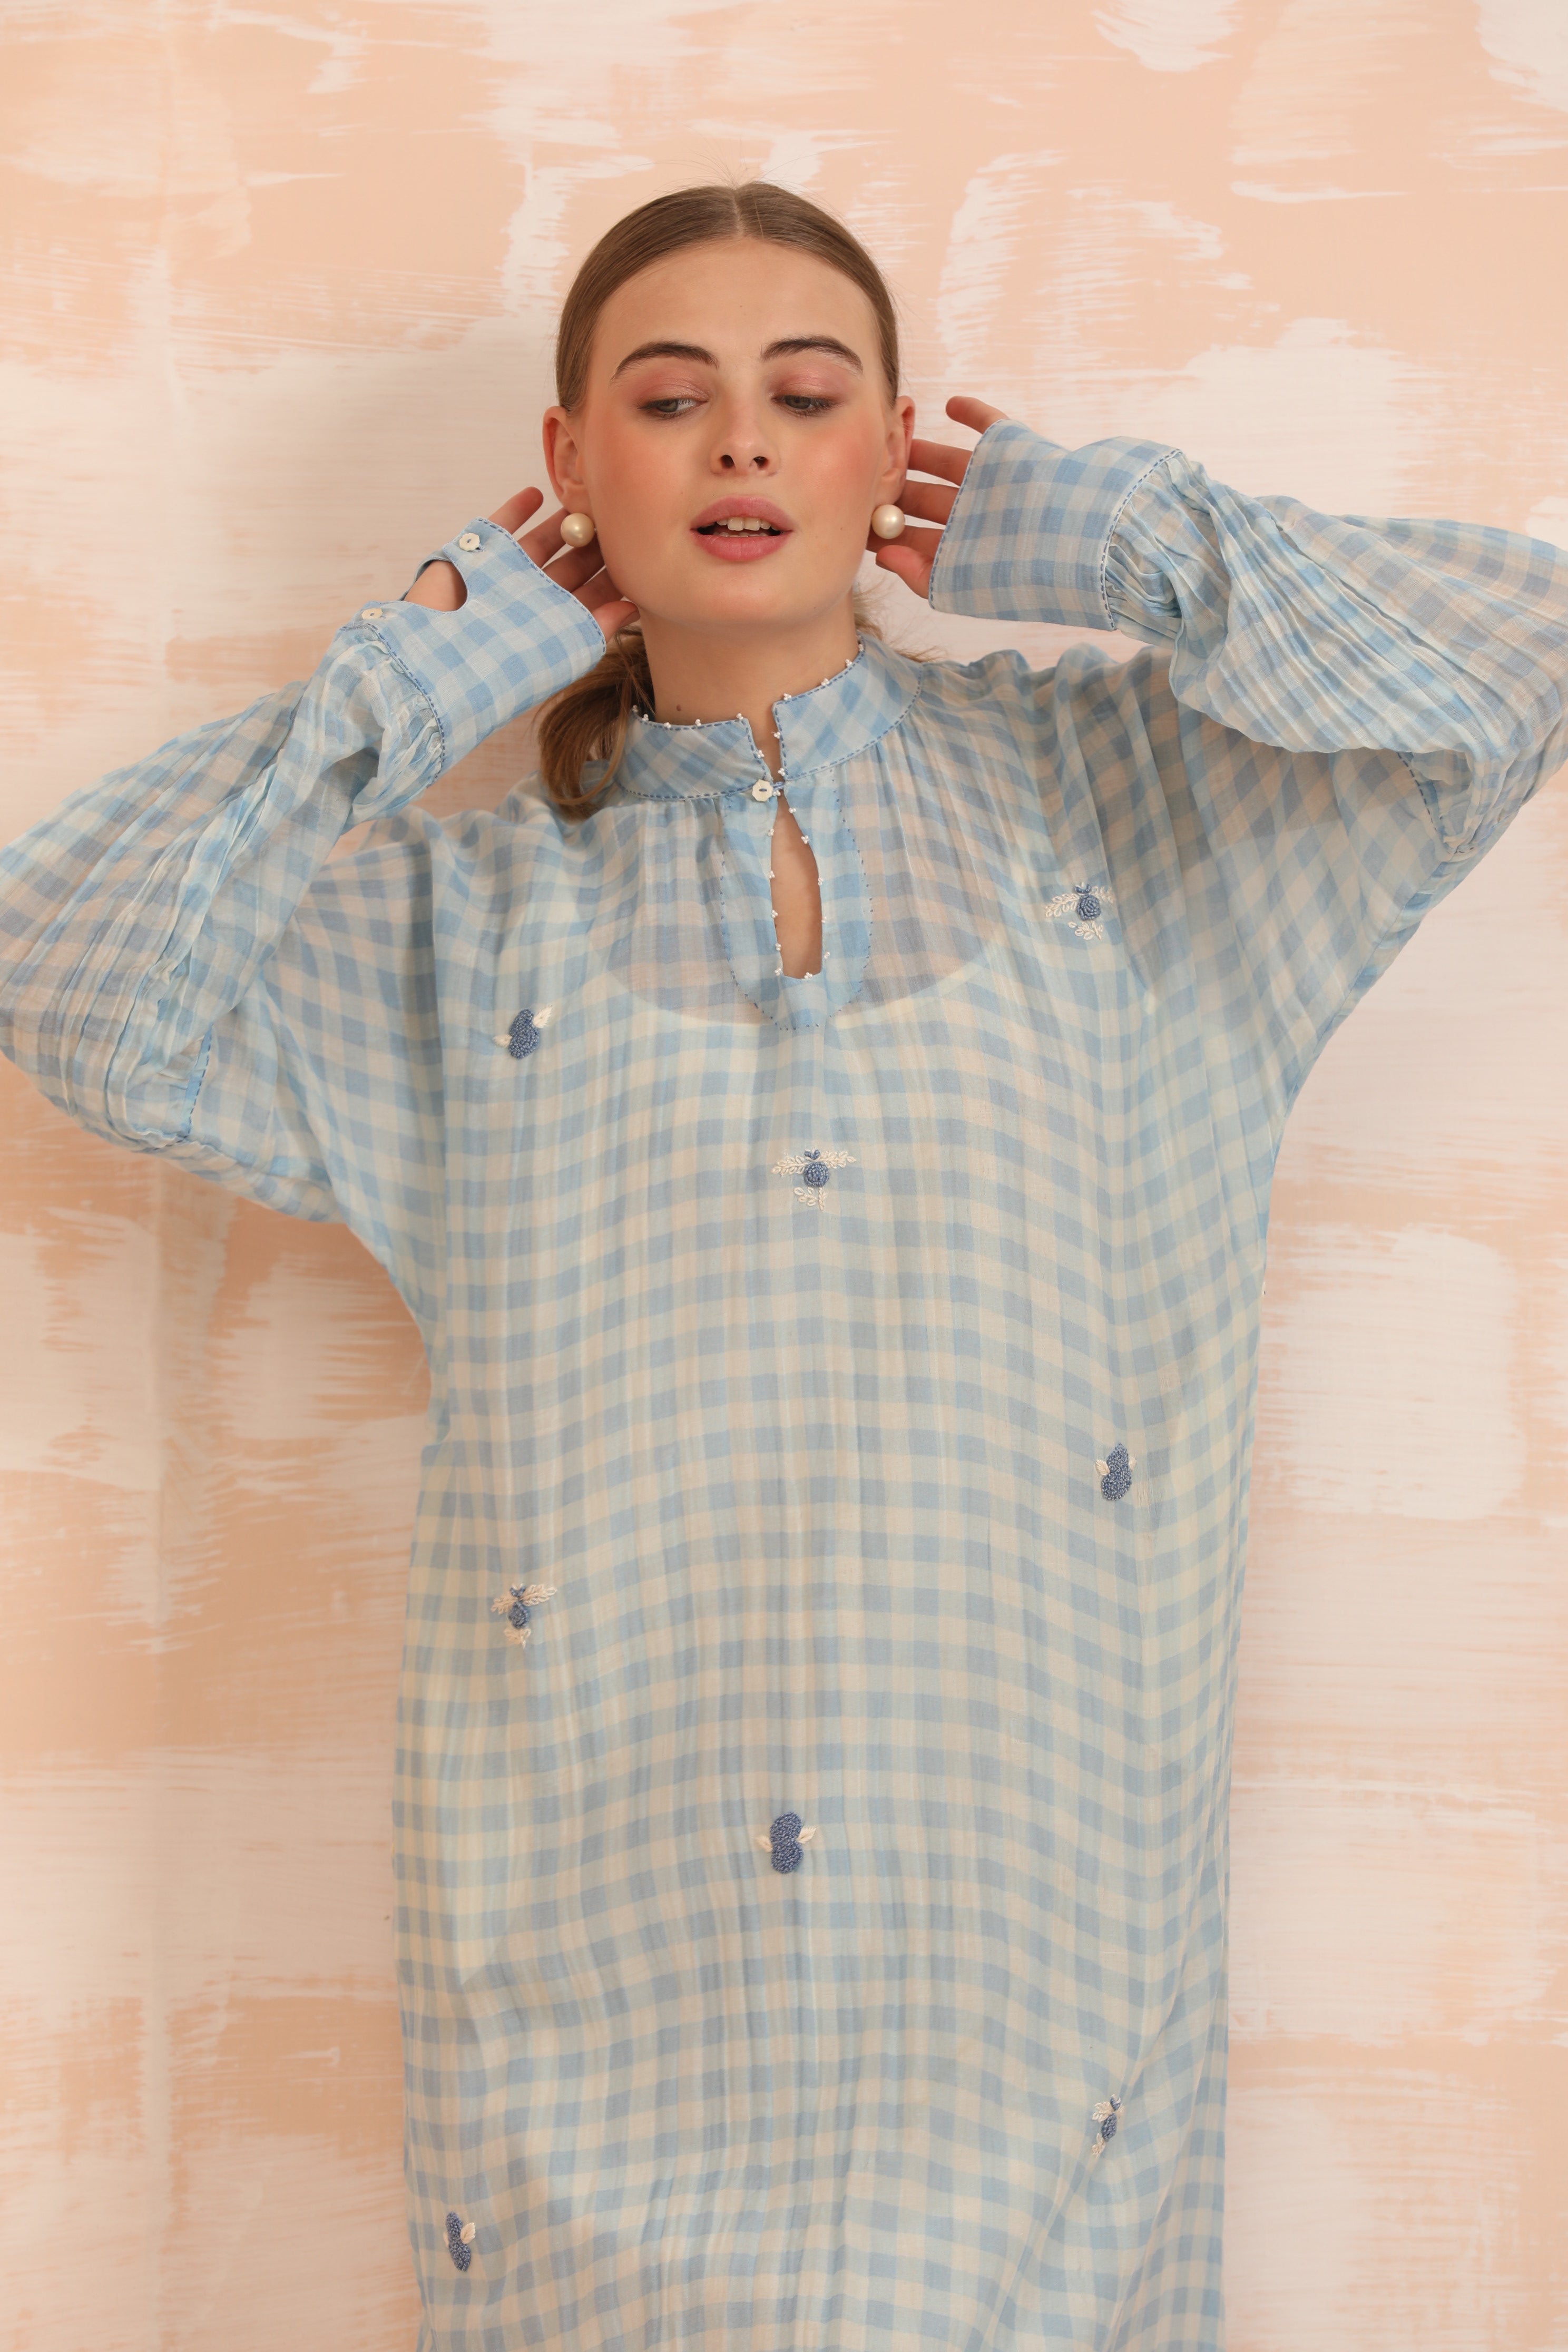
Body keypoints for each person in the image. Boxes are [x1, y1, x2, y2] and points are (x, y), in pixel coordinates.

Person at [1, 178, 1564, 2350]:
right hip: (602, 2026)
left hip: (1044, 2016)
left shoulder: (1146, 823)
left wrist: (1129, 547)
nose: (740, 438)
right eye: (671, 399)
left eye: (804, 393)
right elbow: (67, 980)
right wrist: (408, 674)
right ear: (572, 466)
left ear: (893, 446)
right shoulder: (456, 934)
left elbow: (1519, 665)